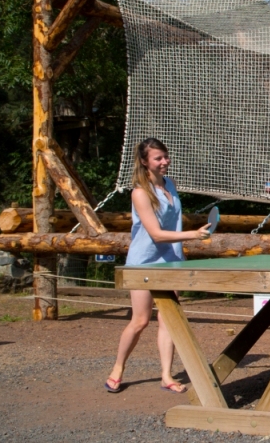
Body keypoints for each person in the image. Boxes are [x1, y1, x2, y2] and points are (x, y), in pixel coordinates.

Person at [105, 138, 212, 394]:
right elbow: (156, 234)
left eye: (165, 156)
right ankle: (118, 368)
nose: (164, 162)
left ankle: (166, 375)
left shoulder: (170, 184)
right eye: (158, 158)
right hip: (143, 263)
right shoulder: (140, 192)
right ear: (144, 162)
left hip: (171, 262)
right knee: (140, 320)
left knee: (169, 321)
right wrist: (192, 235)